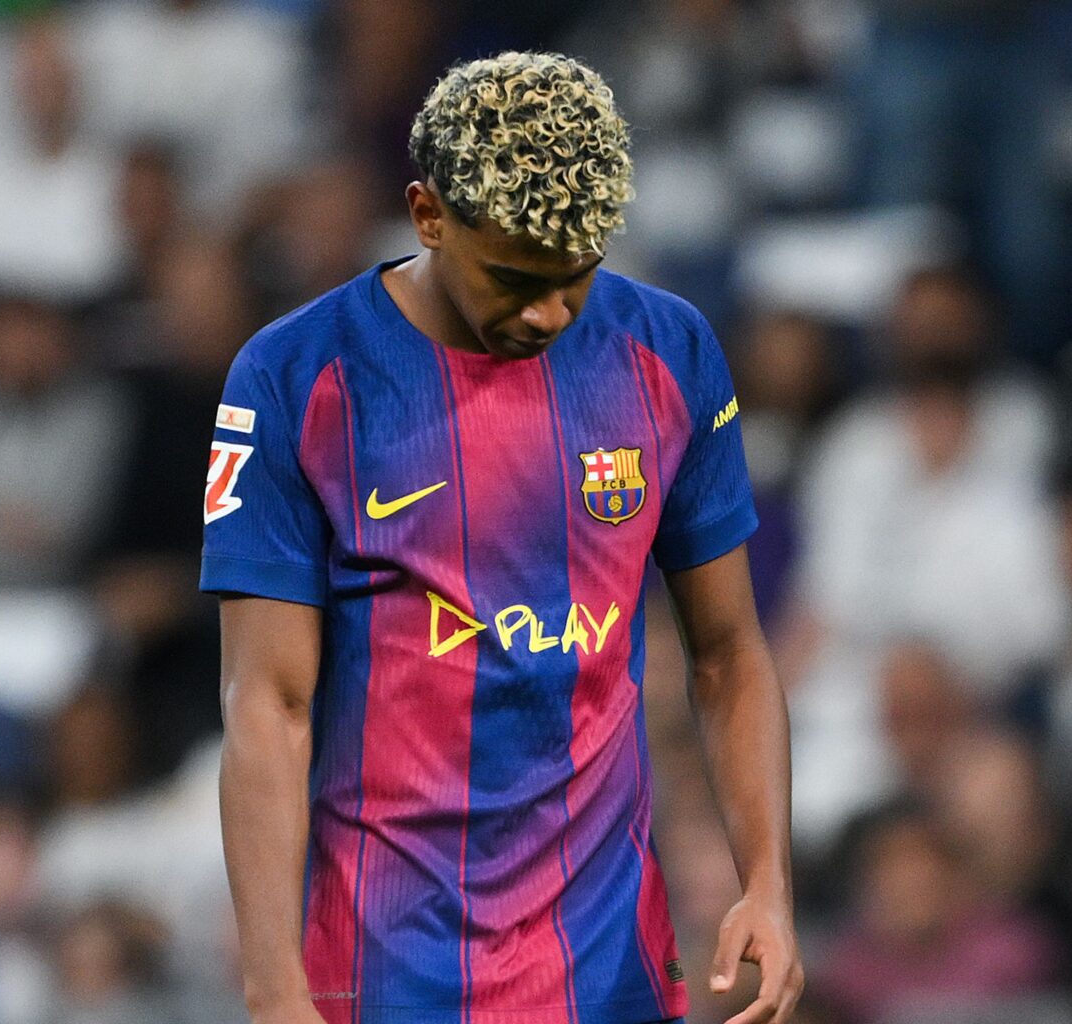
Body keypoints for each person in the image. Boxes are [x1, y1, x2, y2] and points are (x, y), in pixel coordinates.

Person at [203, 52, 801, 1024]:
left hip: (608, 970)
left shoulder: (670, 351)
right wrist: (274, 986)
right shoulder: (294, 376)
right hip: (383, 971)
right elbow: (268, 701)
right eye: (515, 279)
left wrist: (768, 885)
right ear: (428, 214)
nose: (548, 313)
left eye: (575, 278)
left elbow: (730, 653)